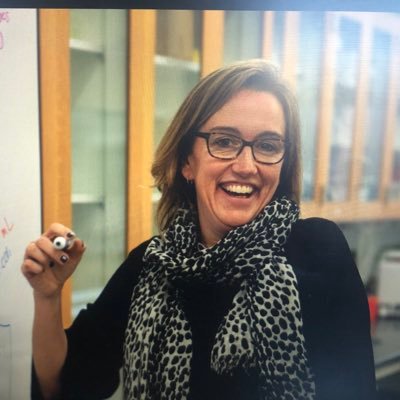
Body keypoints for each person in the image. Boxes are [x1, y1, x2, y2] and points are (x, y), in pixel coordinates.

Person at [22, 59, 377, 400]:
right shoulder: (151, 265)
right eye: (224, 141)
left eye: (268, 146)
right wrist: (48, 297)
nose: (246, 165)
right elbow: (65, 387)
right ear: (186, 162)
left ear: (283, 165)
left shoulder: (320, 251)